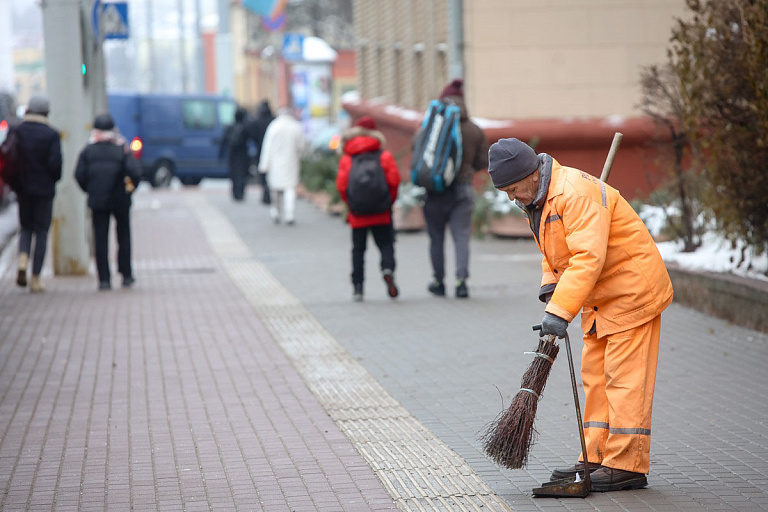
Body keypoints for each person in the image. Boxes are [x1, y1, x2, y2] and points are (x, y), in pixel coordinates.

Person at [487, 137, 674, 492]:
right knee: (597, 381)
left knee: (623, 381)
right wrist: (550, 284)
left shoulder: (574, 193)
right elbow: (557, 250)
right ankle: (596, 457)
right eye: (505, 192)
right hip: (600, 298)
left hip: (630, 293)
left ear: (529, 174)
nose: (511, 198)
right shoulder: (540, 199)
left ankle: (626, 464)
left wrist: (559, 312)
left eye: (512, 189)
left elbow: (588, 257)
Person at [421, 79, 489, 299]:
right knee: (461, 237)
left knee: (436, 238)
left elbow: (418, 150)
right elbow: (483, 159)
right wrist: (467, 168)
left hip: (434, 190)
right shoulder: (473, 129)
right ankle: (461, 282)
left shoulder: (432, 125)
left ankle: (438, 282)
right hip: (462, 188)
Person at [336, 115, 401, 302]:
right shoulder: (384, 156)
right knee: (386, 244)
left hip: (358, 213)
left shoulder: (348, 158)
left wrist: (351, 205)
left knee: (358, 250)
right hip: (381, 211)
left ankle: (358, 287)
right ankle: (387, 269)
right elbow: (394, 181)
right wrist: (388, 202)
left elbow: (342, 185)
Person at [75, 113, 142, 290]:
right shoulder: (121, 148)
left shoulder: (88, 149)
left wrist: (90, 190)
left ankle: (104, 279)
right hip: (120, 199)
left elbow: (79, 175)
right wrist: (130, 190)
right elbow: (135, 172)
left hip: (98, 200)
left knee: (100, 239)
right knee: (124, 237)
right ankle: (126, 275)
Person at [14, 95, 62, 293]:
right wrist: (51, 179)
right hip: (44, 191)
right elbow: (56, 166)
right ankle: (35, 279)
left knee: (25, 227)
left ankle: (23, 259)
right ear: (46, 112)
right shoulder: (51, 135)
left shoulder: (18, 131)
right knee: (41, 231)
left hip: (23, 189)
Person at [258, 106, 305, 225]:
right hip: (291, 161)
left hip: (275, 162)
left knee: (275, 188)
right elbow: (301, 146)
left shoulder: (274, 126)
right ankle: (290, 214)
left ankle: (275, 211)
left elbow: (267, 147)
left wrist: (264, 164)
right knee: (290, 188)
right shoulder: (296, 126)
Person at [245, 100, 275, 205]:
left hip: (260, 149)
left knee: (263, 173)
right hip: (273, 151)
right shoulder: (273, 121)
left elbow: (249, 131)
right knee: (272, 173)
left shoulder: (257, 121)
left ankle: (266, 193)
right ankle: (270, 193)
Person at [219, 106, 251, 201]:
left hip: (233, 154)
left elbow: (223, 141)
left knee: (234, 174)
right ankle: (240, 193)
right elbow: (251, 138)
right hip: (242, 153)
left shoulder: (230, 127)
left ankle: (235, 193)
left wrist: (220, 155)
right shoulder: (245, 127)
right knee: (242, 174)